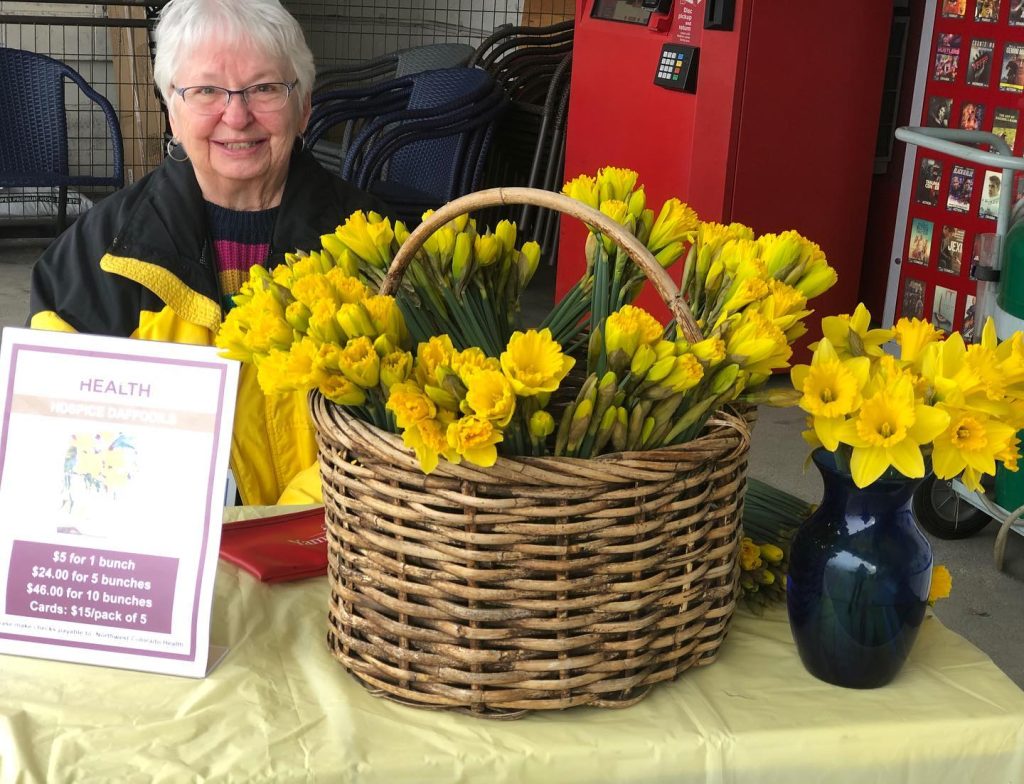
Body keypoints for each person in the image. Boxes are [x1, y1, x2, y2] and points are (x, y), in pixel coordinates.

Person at [29, 0, 389, 506]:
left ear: (304, 107)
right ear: (171, 111)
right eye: (205, 91)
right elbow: (56, 437)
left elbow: (400, 430)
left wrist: (281, 527)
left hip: (328, 536)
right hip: (155, 539)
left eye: (265, 88)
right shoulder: (97, 253)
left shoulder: (374, 244)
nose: (236, 116)